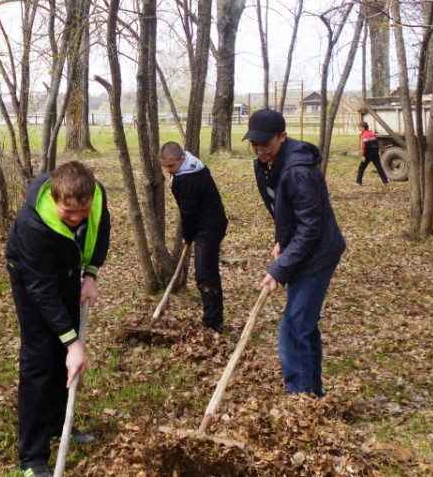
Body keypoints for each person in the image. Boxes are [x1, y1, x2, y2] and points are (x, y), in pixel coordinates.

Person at [5, 160, 111, 477]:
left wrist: (90, 274)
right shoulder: (32, 224)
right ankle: (33, 457)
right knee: (40, 358)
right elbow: (41, 290)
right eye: (69, 213)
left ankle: (57, 424)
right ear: (54, 199)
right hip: (32, 280)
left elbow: (100, 231)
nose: (78, 218)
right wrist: (73, 343)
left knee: (61, 353)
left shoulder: (97, 197)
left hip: (68, 272)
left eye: (84, 210)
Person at [243, 108, 346, 397]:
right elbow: (284, 211)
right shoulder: (271, 163)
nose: (261, 150)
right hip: (302, 249)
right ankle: (312, 395)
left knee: (293, 327)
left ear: (283, 137)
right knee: (303, 325)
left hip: (318, 253)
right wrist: (281, 241)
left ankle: (301, 400)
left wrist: (279, 267)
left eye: (267, 145)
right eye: (256, 145)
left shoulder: (299, 171)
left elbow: (310, 227)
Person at [158, 141, 229, 332]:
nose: (168, 170)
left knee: (205, 274)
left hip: (210, 226)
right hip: (209, 223)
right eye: (164, 166)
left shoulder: (186, 179)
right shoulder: (193, 166)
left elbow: (188, 213)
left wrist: (187, 235)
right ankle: (214, 319)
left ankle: (213, 323)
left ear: (182, 158)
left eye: (171, 166)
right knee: (208, 272)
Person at [355, 121, 388, 185]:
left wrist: (364, 155)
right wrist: (377, 151)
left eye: (360, 127)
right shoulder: (373, 134)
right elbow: (377, 144)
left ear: (363, 128)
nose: (359, 129)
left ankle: (358, 182)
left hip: (368, 154)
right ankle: (386, 182)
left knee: (361, 167)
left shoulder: (364, 135)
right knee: (379, 167)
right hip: (375, 153)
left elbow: (364, 146)